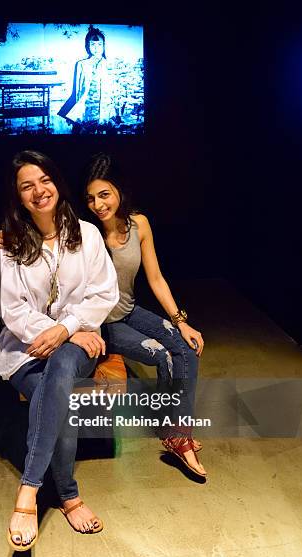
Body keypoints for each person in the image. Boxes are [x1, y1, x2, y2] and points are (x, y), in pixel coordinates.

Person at [0, 150, 119, 551]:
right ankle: (68, 496)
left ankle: (28, 490)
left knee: (62, 362)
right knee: (54, 386)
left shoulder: (88, 234)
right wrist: (58, 331)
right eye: (27, 186)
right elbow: (10, 308)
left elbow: (104, 294)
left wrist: (68, 329)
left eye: (44, 180)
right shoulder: (10, 244)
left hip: (80, 341)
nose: (38, 191)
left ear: (57, 183)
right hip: (25, 348)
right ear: (18, 196)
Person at [83, 154, 207, 478]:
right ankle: (179, 438)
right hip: (101, 324)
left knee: (186, 344)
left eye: (104, 194)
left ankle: (177, 427)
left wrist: (181, 320)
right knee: (164, 355)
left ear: (119, 191)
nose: (97, 204)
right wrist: (7, 238)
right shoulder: (84, 233)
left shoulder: (140, 225)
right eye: (91, 198)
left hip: (129, 310)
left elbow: (156, 279)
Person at [58, 26, 115, 133]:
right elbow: (78, 91)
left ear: (103, 46)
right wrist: (75, 112)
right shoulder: (81, 64)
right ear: (87, 46)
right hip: (86, 109)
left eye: (99, 44)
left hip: (104, 109)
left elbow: (112, 91)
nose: (96, 47)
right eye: (93, 44)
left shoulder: (109, 64)